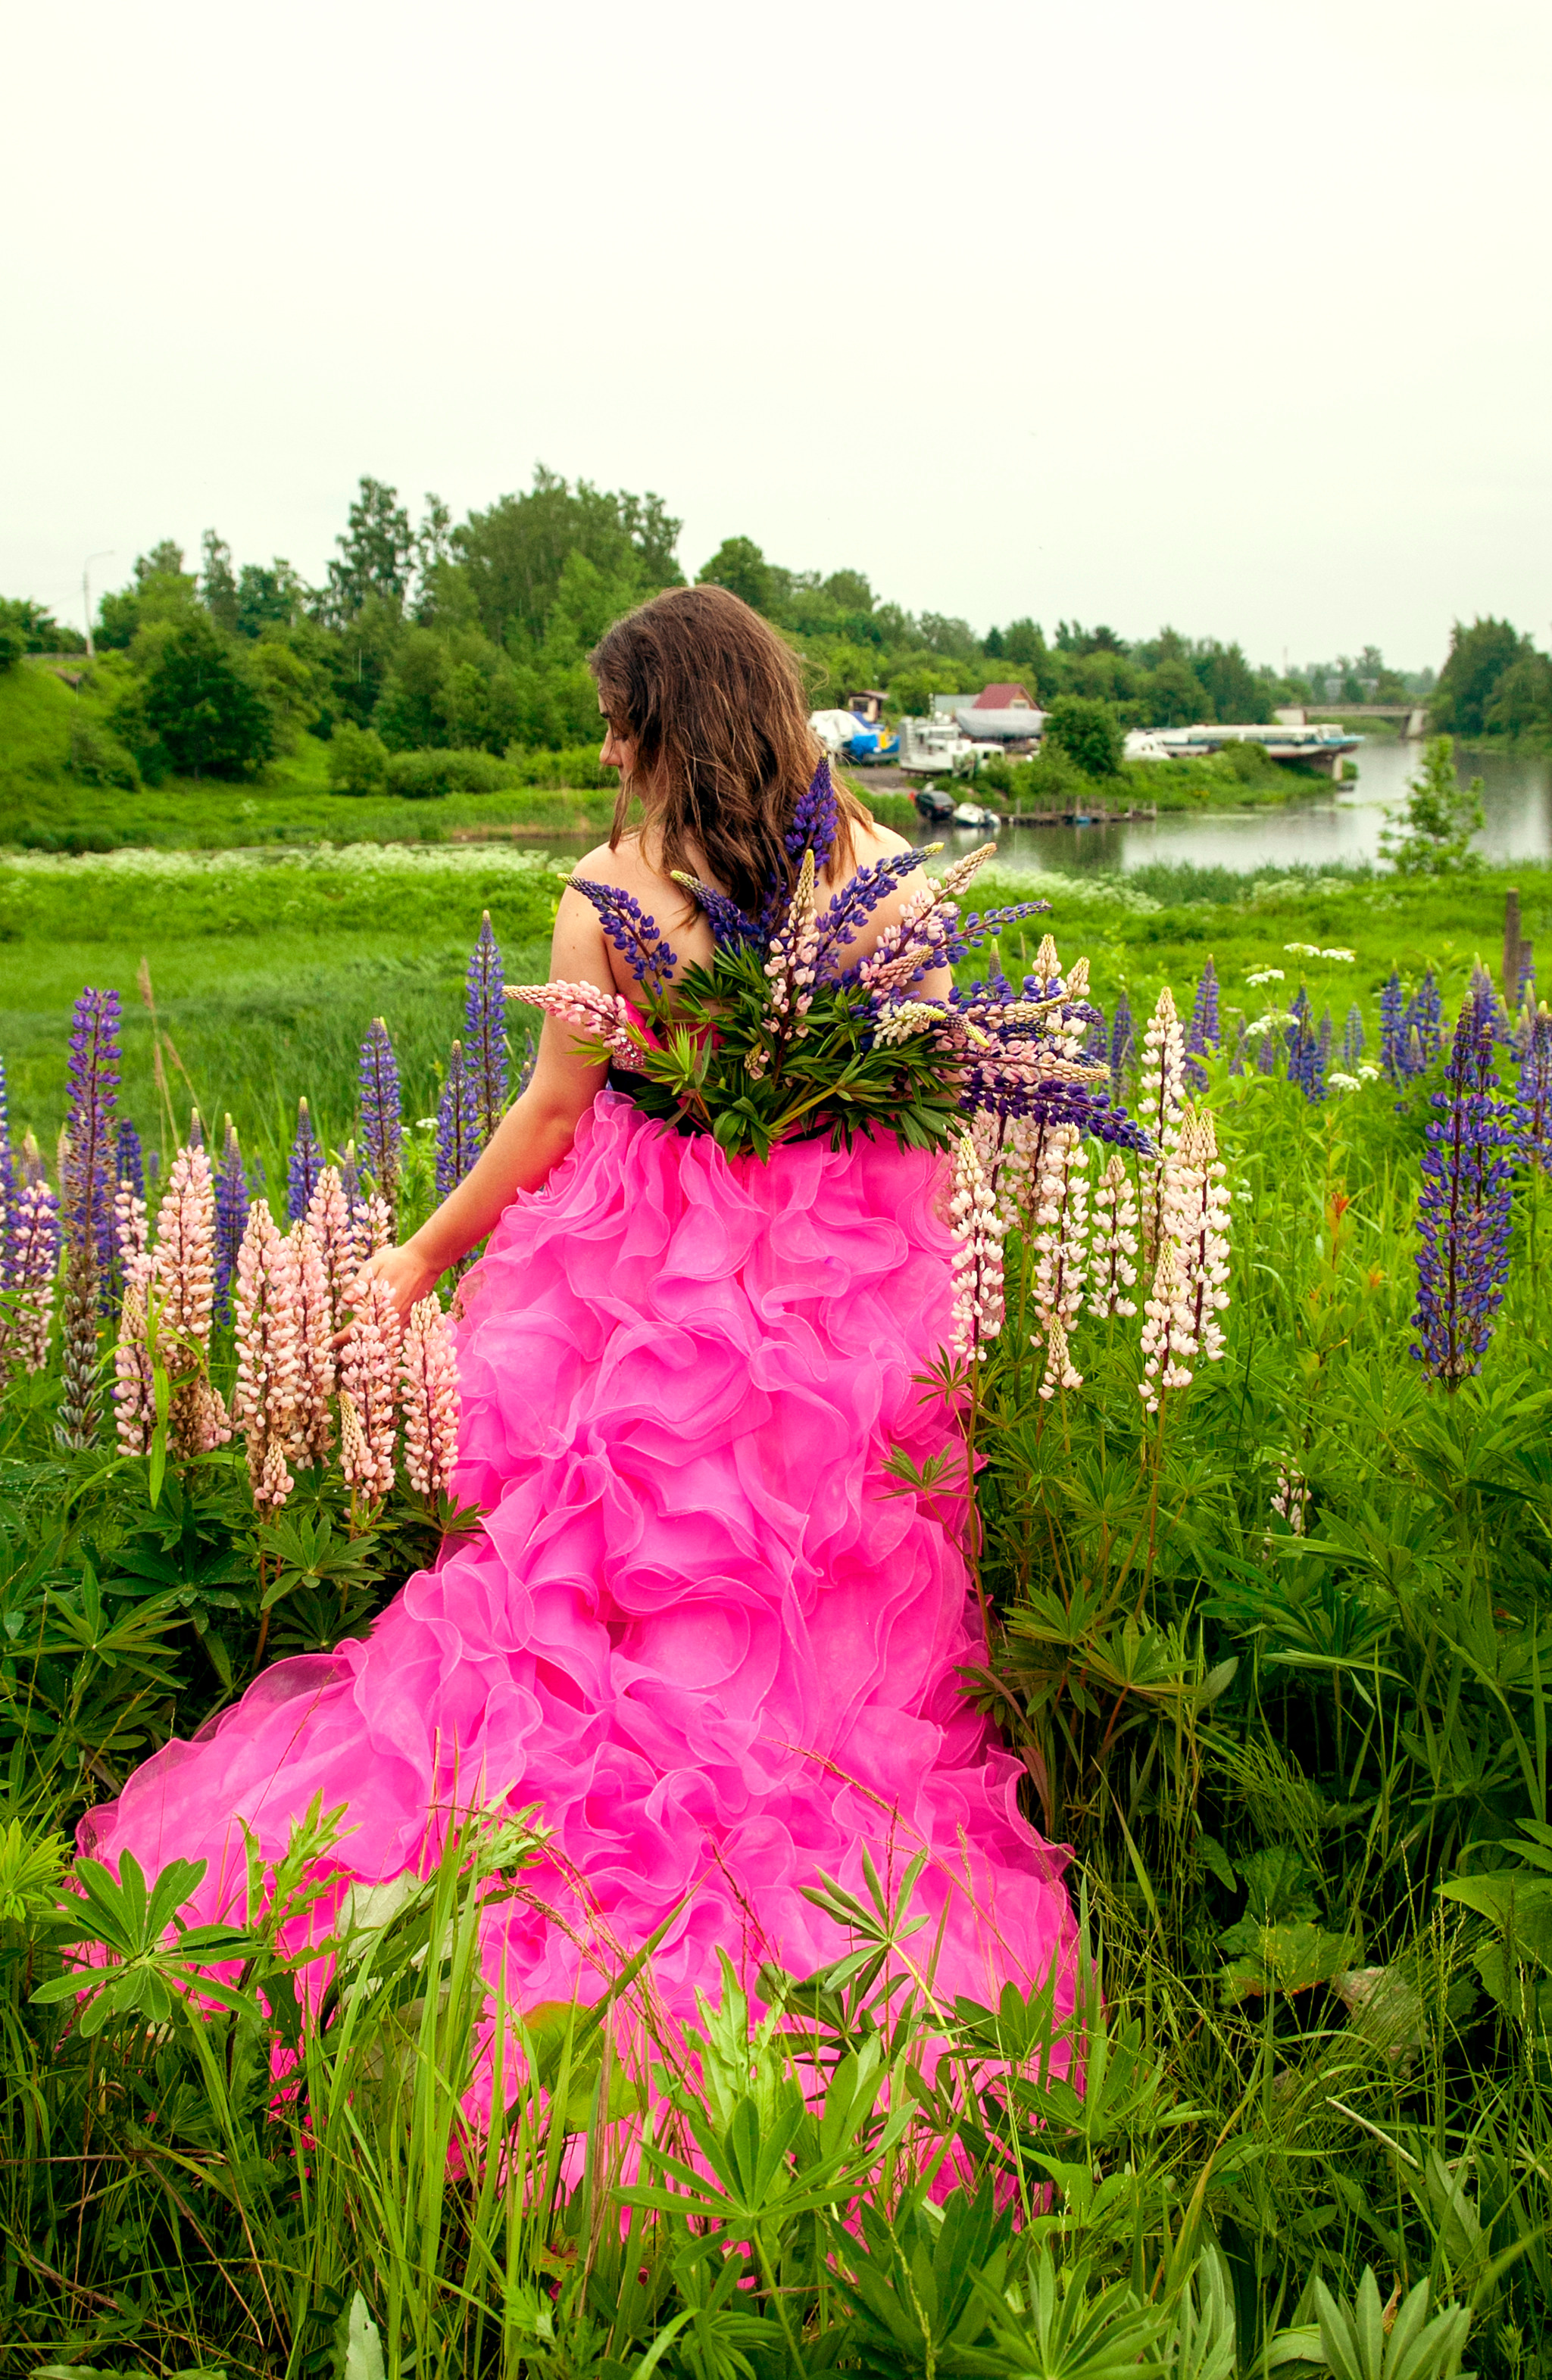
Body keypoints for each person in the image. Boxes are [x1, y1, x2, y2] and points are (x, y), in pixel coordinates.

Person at [81, 585, 1076, 2069]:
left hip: (642, 1276)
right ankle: (812, 1930)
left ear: (670, 723)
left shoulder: (611, 887)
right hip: (836, 1292)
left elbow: (553, 1109)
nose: (611, 758)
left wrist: (422, 1246)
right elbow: (929, 1090)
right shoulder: (893, 875)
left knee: (596, 1604)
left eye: (620, 728)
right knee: (818, 1617)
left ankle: (585, 1930)